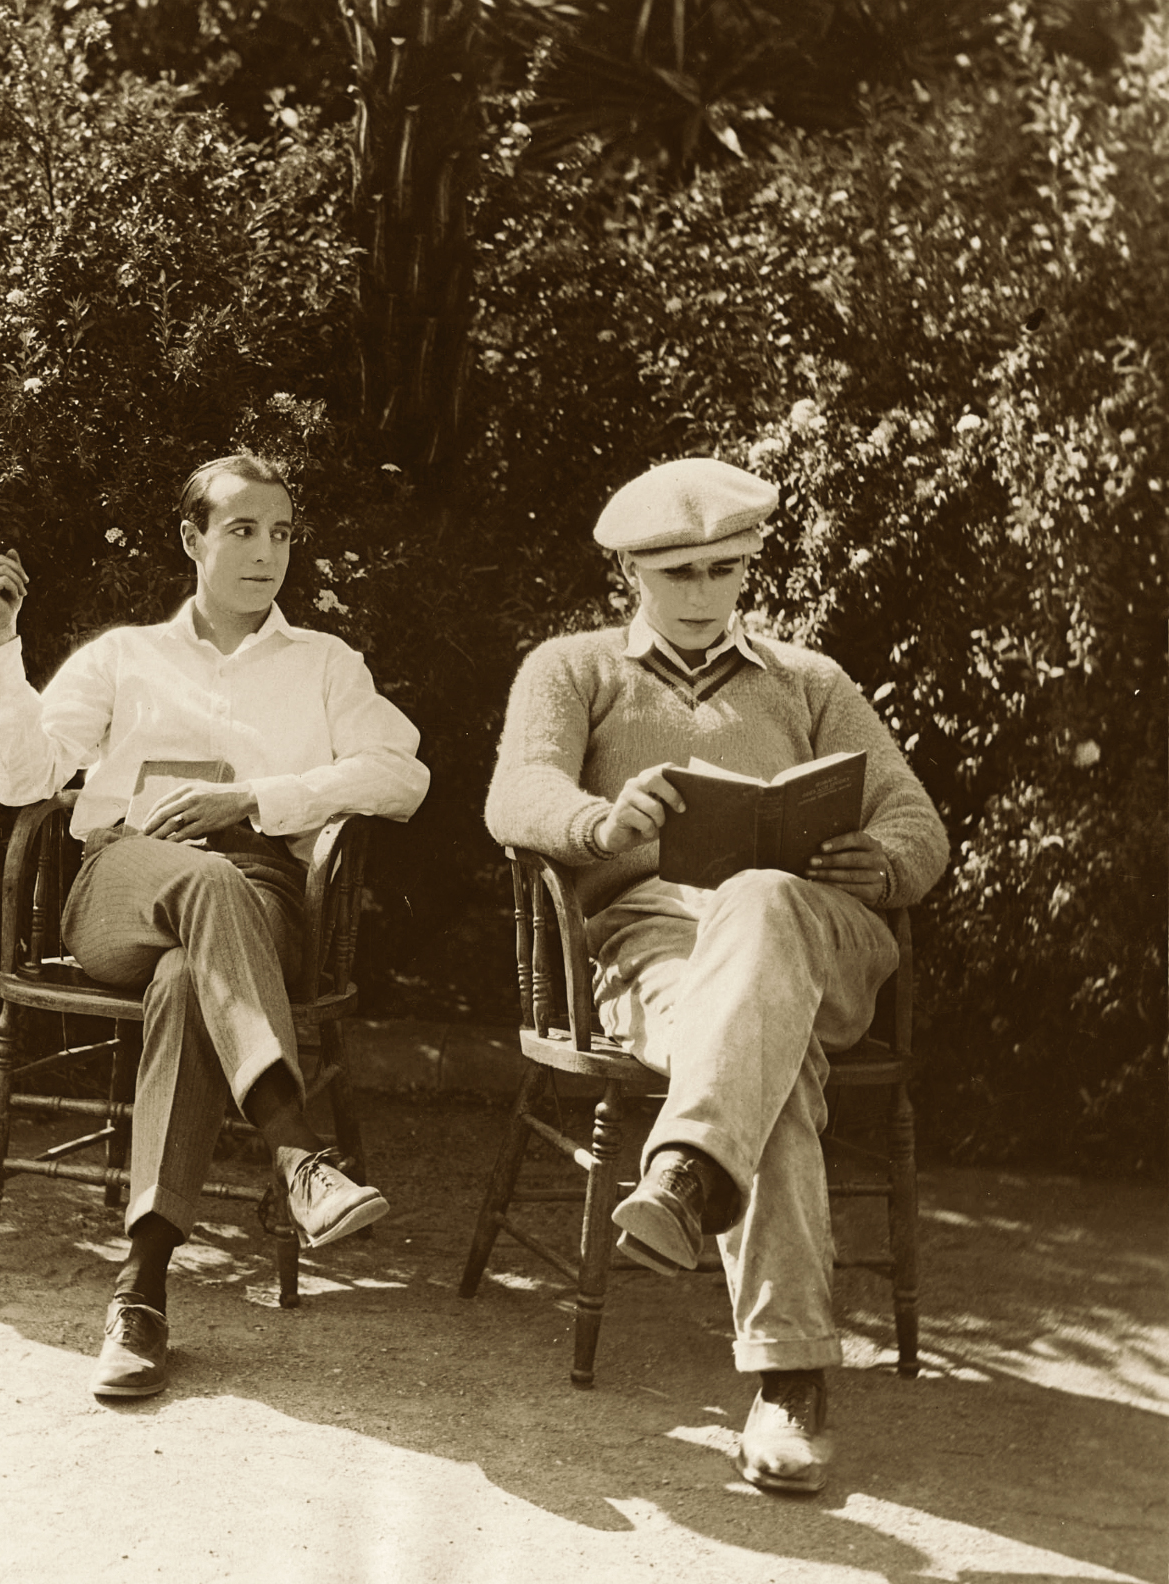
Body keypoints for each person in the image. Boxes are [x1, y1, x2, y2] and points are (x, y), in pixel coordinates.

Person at [485, 456, 947, 1494]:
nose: (702, 595)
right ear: (629, 575)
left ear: (749, 565)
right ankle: (786, 1379)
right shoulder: (572, 669)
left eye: (723, 570)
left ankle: (682, 1174)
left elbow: (918, 824)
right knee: (761, 1069)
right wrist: (599, 821)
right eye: (676, 573)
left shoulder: (810, 681)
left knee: (758, 897)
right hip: (656, 945)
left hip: (814, 933)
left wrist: (880, 860)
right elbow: (515, 795)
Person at [0, 455, 430, 1398]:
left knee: (190, 973)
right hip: (120, 884)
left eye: (283, 534)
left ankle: (139, 1294)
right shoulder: (123, 656)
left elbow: (403, 776)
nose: (267, 553)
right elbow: (22, 782)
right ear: (193, 540)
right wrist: (2, 642)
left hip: (258, 897)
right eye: (242, 531)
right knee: (195, 896)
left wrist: (253, 797)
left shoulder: (327, 665)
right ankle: (299, 1152)